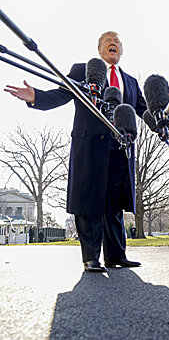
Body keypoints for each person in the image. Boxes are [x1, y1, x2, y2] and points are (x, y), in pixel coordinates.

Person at [4, 31, 145, 273]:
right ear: (99, 49)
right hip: (90, 146)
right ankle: (91, 258)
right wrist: (35, 96)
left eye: (117, 42)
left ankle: (116, 255)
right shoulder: (84, 71)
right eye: (108, 41)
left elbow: (144, 109)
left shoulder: (130, 81)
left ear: (121, 51)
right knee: (90, 200)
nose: (113, 44)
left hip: (120, 148)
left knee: (114, 203)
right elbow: (61, 94)